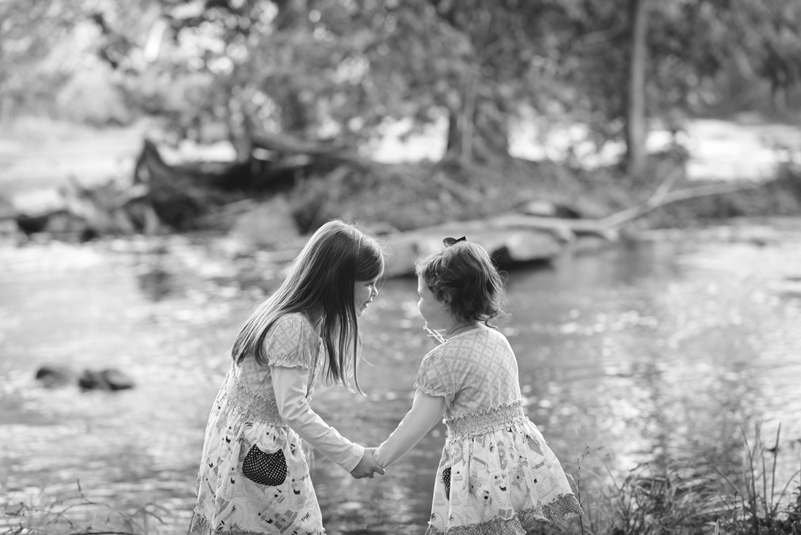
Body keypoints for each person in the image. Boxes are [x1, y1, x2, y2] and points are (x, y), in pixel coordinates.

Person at [373, 237, 582, 534]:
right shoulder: (497, 339)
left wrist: (379, 457)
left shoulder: (443, 360)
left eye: (421, 297)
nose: (418, 304)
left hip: (477, 473)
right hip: (512, 465)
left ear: (444, 298)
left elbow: (416, 423)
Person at [190, 220, 387, 535]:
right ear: (337, 282)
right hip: (257, 458)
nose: (375, 293)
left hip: (242, 448)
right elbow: (292, 409)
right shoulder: (293, 327)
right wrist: (351, 455)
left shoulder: (289, 313)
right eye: (368, 283)